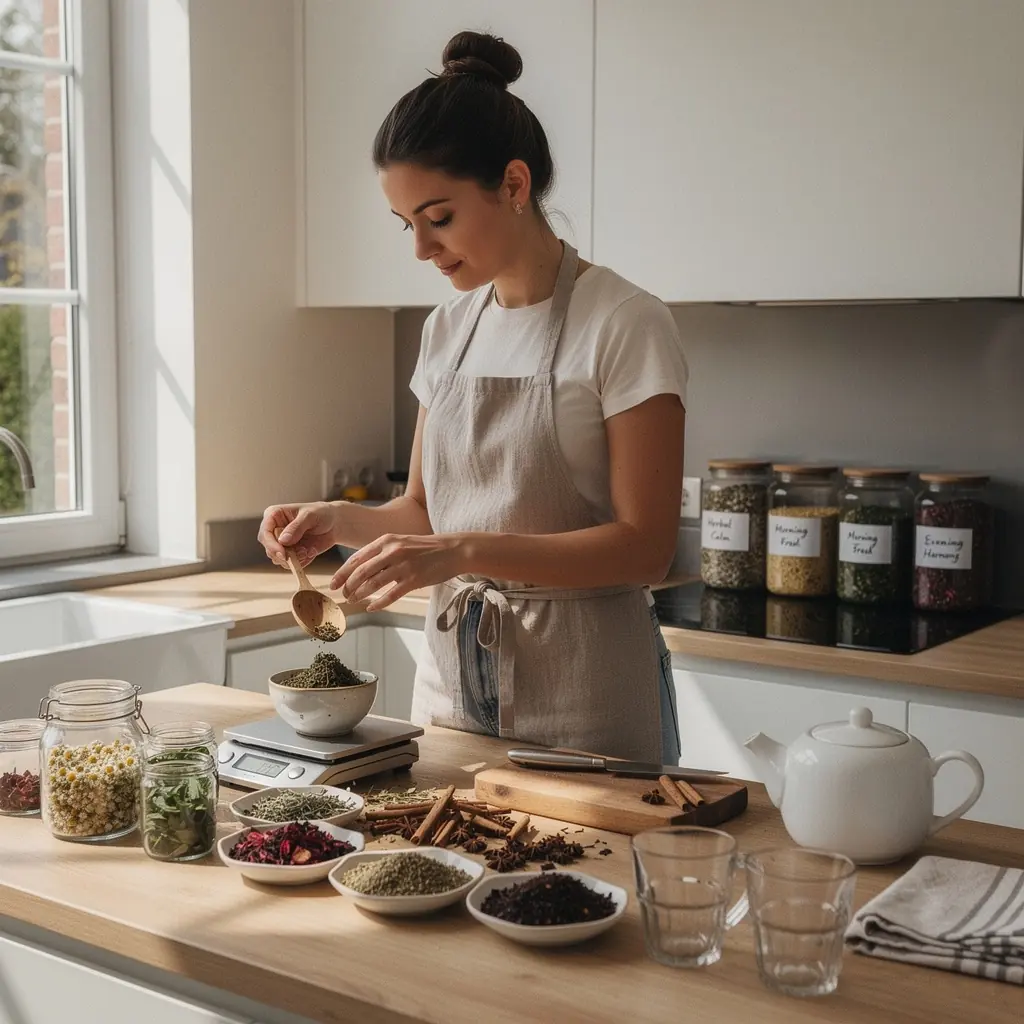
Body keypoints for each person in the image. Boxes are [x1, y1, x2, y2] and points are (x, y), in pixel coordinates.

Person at [258, 31, 689, 763]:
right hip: (452, 684)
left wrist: (453, 552)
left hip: (585, 690)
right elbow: (424, 511)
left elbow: (647, 549)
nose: (422, 249)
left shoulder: (624, 322)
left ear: (514, 186)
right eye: (407, 225)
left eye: (440, 216)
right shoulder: (449, 329)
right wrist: (336, 520)